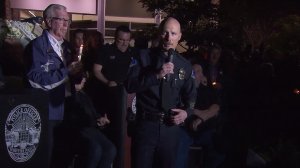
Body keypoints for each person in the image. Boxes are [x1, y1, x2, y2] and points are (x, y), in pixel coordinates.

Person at [125, 17, 196, 168]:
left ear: (179, 36)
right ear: (159, 33)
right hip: (145, 126)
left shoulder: (185, 65)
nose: (168, 38)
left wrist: (186, 113)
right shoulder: (142, 56)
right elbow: (130, 85)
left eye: (173, 33)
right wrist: (156, 75)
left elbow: (191, 97)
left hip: (170, 129)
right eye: (165, 32)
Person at [24, 4, 82, 167]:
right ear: (48, 21)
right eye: (61, 20)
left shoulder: (68, 47)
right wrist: (66, 71)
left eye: (67, 20)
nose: (65, 24)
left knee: (67, 157)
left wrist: (79, 75)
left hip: (68, 111)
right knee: (48, 158)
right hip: (47, 112)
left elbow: (71, 78)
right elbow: (35, 80)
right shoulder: (37, 46)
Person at [93, 25, 136, 168]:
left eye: (126, 40)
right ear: (115, 38)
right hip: (109, 95)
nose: (124, 43)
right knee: (111, 132)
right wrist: (107, 82)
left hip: (127, 98)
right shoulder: (106, 51)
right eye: (120, 40)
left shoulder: (132, 53)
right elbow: (96, 70)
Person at [176, 63, 224, 168]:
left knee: (220, 148)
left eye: (201, 71)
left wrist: (201, 118)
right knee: (180, 144)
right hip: (187, 129)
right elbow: (184, 108)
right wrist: (197, 113)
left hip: (205, 129)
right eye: (196, 72)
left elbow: (216, 107)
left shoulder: (208, 89)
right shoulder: (184, 89)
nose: (200, 74)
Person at [63, 75, 116, 168]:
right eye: (82, 77)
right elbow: (72, 119)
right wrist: (94, 122)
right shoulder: (67, 95)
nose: (84, 80)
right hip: (77, 130)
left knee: (110, 149)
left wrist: (100, 120)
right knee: (95, 149)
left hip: (91, 129)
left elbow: (92, 113)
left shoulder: (83, 95)